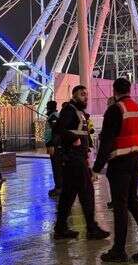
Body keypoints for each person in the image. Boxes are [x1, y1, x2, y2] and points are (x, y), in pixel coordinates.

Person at [94, 78, 138, 263]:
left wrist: (96, 168)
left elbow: (107, 141)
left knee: (120, 205)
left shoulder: (115, 109)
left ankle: (119, 249)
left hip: (119, 161)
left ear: (114, 91)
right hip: (136, 158)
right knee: (133, 201)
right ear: (129, 89)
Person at [52, 85, 109, 240]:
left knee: (68, 195)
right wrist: (74, 139)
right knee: (87, 192)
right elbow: (59, 129)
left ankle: (60, 228)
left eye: (86, 94)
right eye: (82, 94)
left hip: (75, 158)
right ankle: (91, 228)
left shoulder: (78, 112)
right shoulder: (70, 111)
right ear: (74, 96)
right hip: (74, 158)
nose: (86, 97)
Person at [43, 100, 61, 197]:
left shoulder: (53, 117)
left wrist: (51, 145)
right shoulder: (54, 116)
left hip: (55, 147)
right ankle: (59, 186)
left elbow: (54, 132)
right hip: (55, 146)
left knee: (56, 167)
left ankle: (59, 188)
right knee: (56, 167)